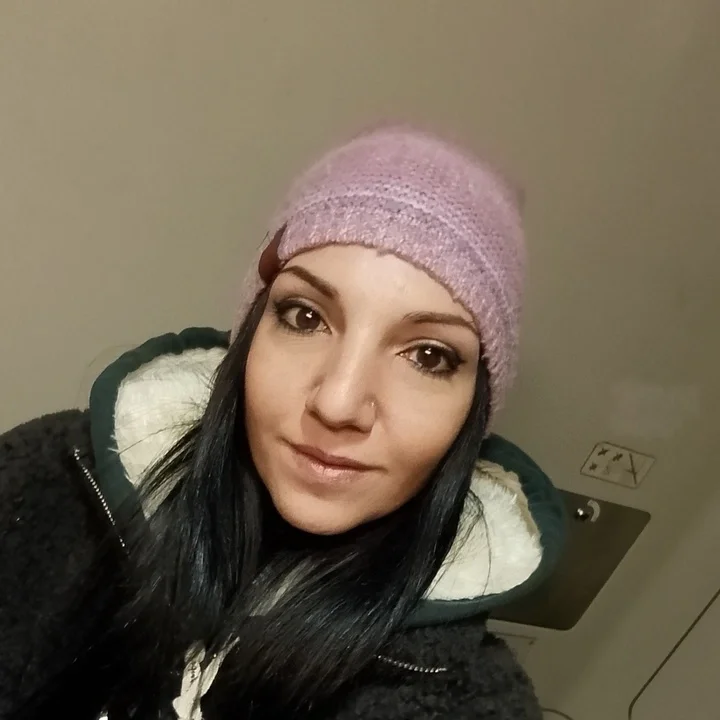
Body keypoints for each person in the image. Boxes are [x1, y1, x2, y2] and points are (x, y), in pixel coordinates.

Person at [0, 125, 565, 719]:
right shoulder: (46, 482)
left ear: (473, 411)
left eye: (427, 355)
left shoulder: (468, 703)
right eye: (305, 316)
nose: (338, 403)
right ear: (250, 332)